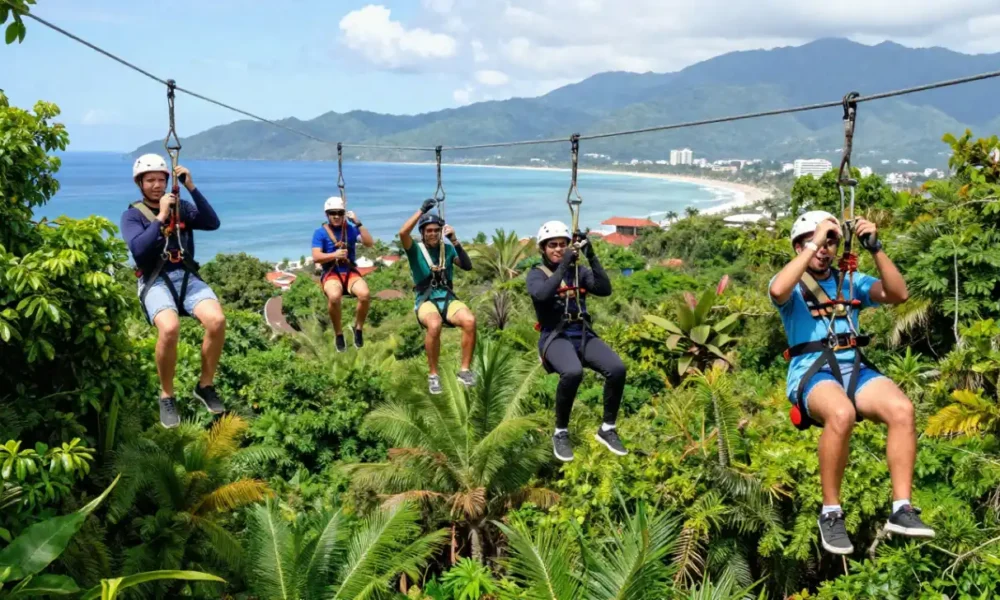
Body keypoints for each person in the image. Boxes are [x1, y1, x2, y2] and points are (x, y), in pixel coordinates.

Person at [769, 210, 934, 555]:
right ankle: (831, 512)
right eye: (815, 241)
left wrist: (875, 248)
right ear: (799, 245)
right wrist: (814, 240)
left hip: (854, 368)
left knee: (902, 409)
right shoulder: (795, 286)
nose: (824, 249)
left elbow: (898, 294)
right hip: (812, 372)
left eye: (830, 241)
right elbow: (777, 289)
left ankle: (901, 508)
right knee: (841, 414)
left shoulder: (851, 280)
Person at [120, 154, 226, 429]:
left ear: (168, 181)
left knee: (217, 320)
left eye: (161, 180)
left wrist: (191, 187)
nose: (156, 185)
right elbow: (139, 250)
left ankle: (205, 385)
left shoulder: (183, 207)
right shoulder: (133, 215)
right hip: (155, 279)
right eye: (150, 180)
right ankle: (167, 395)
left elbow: (212, 223)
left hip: (186, 276)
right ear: (140, 184)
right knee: (169, 328)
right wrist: (162, 216)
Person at [527, 221, 628, 462]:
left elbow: (604, 289)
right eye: (553, 246)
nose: (559, 249)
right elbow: (542, 295)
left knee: (617, 369)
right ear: (543, 249)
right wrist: (564, 264)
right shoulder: (536, 274)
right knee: (572, 373)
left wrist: (590, 253)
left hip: (581, 333)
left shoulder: (578, 272)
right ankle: (560, 432)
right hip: (555, 336)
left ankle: (607, 428)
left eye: (563, 245)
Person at [399, 199, 476, 394]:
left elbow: (467, 265)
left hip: (447, 297)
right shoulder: (415, 250)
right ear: (423, 233)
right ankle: (433, 374)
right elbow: (402, 233)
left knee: (469, 320)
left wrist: (455, 240)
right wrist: (421, 211)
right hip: (426, 299)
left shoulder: (447, 250)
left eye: (436, 230)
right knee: (434, 325)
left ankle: (464, 370)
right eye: (428, 231)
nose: (432, 234)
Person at [311, 196, 375, 351]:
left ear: (343, 214)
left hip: (349, 271)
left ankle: (358, 328)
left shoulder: (350, 230)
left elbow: (369, 243)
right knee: (333, 297)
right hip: (332, 272)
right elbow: (316, 257)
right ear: (327, 215)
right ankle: (338, 333)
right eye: (333, 213)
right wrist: (334, 255)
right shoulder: (320, 233)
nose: (336, 216)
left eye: (339, 213)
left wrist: (357, 222)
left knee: (365, 294)